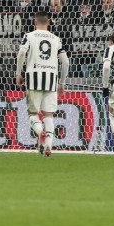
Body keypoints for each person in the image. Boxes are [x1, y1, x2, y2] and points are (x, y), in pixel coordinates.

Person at [15, 11, 70, 157]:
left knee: (33, 114)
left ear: (35, 22)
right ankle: (48, 147)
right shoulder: (56, 39)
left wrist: (18, 73)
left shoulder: (29, 36)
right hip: (52, 78)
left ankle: (40, 132)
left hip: (33, 77)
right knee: (48, 115)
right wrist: (62, 82)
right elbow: (65, 62)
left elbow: (21, 53)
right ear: (49, 23)